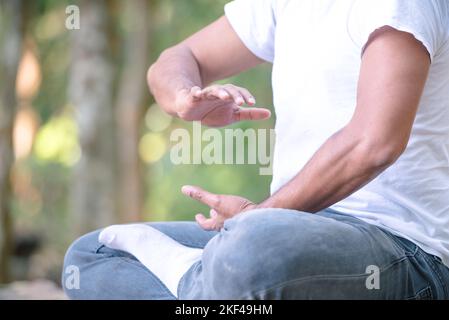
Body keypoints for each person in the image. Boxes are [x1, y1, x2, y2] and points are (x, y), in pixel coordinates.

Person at [62, 0, 449, 299]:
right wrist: (185, 95)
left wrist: (256, 218)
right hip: (292, 227)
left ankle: (198, 278)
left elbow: (373, 143)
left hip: (405, 250)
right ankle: (210, 282)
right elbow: (175, 61)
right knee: (94, 255)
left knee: (254, 253)